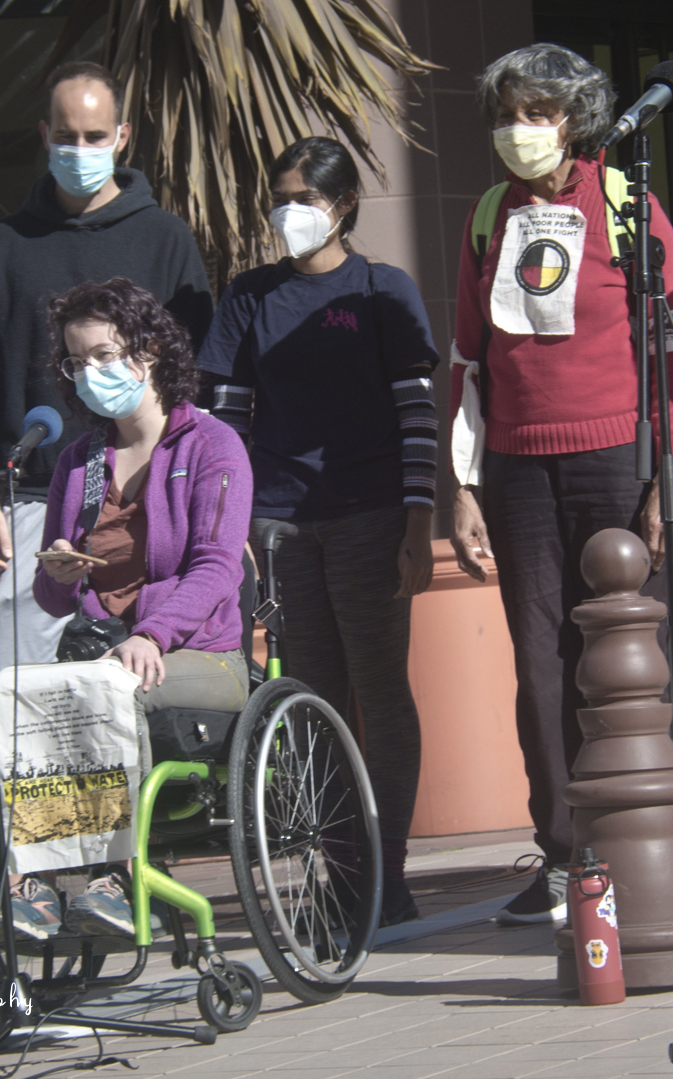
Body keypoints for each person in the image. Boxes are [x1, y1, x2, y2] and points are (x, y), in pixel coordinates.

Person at [448, 44, 673, 926]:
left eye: (539, 114)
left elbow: (672, 358)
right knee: (538, 663)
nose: (520, 132)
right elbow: (466, 361)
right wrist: (463, 486)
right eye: (507, 114)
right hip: (516, 466)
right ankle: (564, 857)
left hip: (613, 459)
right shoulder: (487, 216)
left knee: (625, 660)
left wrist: (670, 472)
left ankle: (649, 846)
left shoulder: (629, 205)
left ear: (577, 120)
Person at [199, 137, 440, 926]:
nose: (288, 212)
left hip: (370, 516)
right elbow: (225, 418)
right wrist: (229, 519)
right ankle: (339, 873)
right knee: (311, 697)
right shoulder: (249, 296)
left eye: (304, 197)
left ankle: (388, 873)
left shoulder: (381, 289)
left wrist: (418, 517)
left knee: (379, 691)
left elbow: (416, 413)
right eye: (280, 196)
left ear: (341, 206)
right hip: (279, 524)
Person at [0, 61, 215, 674]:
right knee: (23, 701)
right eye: (67, 136)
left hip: (147, 495)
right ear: (44, 135)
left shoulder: (165, 239)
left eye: (95, 137)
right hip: (31, 500)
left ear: (122, 137)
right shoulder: (0, 246)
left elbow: (192, 374)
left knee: (136, 690)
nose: (80, 149)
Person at [25, 277, 253, 939]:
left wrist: (152, 633)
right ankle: (31, 886)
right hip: (103, 652)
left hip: (200, 654)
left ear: (147, 352)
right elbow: (50, 593)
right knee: (24, 701)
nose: (89, 373)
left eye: (102, 355)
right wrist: (62, 575)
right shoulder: (80, 463)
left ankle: (112, 878)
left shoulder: (209, 445)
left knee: (103, 693)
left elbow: (216, 566)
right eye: (75, 361)